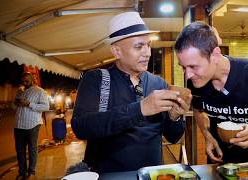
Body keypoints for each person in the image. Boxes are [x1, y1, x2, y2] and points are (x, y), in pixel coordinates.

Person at [71, 12, 191, 174]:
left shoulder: (159, 84)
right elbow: (81, 127)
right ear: (117, 51)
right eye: (139, 46)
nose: (147, 52)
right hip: (108, 176)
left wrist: (174, 117)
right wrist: (140, 109)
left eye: (148, 45)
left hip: (152, 175)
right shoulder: (96, 79)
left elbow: (173, 137)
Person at [174, 21, 248, 163]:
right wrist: (207, 135)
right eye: (183, 67)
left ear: (215, 55)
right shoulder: (195, 80)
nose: (188, 75)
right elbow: (198, 109)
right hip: (218, 165)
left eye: (193, 66)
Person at [14, 72, 49, 180]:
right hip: (18, 124)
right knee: (20, 150)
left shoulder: (39, 91)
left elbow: (46, 107)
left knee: (32, 149)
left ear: (32, 80)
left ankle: (32, 172)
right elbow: (13, 106)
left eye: (27, 81)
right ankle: (22, 172)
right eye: (23, 81)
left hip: (32, 124)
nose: (24, 83)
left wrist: (29, 104)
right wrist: (16, 103)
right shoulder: (20, 91)